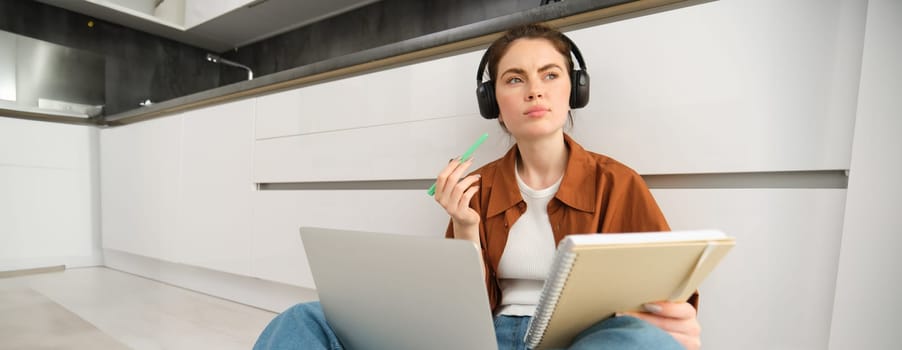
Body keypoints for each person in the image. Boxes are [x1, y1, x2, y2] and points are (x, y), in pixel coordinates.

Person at [254, 23, 700, 350]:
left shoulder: (617, 182)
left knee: (644, 342)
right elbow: (459, 311)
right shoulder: (479, 186)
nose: (534, 91)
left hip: (576, 342)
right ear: (493, 103)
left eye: (550, 75)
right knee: (306, 320)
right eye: (514, 79)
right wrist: (464, 225)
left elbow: (665, 296)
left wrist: (668, 321)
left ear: (574, 90)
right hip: (482, 339)